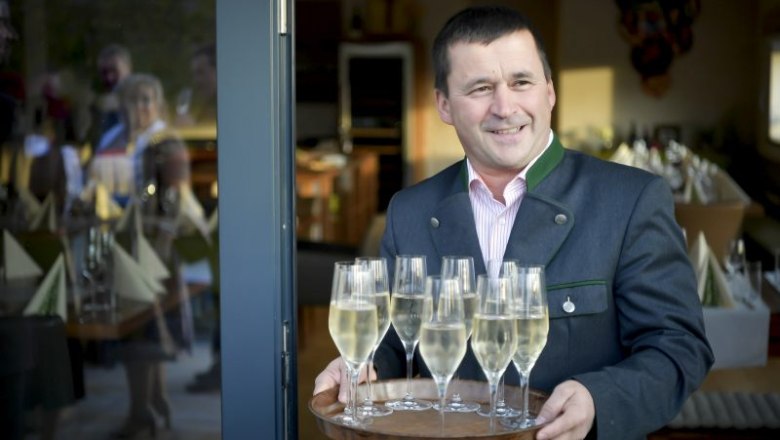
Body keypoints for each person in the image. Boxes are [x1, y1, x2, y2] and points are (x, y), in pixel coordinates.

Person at [313, 6, 713, 440]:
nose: (505, 107)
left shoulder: (631, 199)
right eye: (480, 88)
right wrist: (364, 368)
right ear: (444, 105)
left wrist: (598, 398)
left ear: (549, 92)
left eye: (521, 82)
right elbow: (394, 343)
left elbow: (679, 346)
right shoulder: (407, 210)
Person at [87, 72, 196, 438]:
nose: (140, 107)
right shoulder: (116, 141)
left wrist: (162, 245)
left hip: (156, 253)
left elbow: (178, 198)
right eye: (133, 100)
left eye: (147, 99)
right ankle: (156, 401)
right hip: (128, 247)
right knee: (148, 332)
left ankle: (140, 412)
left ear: (159, 104)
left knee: (143, 334)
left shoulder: (166, 141)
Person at [88, 44, 132, 151]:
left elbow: (159, 135)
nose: (109, 78)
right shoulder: (98, 110)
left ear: (128, 68)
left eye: (114, 71)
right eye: (104, 73)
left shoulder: (146, 102)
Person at [174, 43, 217, 128]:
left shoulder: (230, 107)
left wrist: (192, 128)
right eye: (194, 75)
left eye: (201, 72)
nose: (196, 80)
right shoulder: (206, 109)